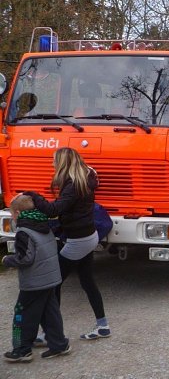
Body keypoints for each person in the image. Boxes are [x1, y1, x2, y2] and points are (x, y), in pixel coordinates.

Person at [24, 147, 110, 341]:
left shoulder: (72, 185)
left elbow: (53, 209)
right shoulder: (82, 179)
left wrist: (34, 196)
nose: (52, 163)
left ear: (63, 162)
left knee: (54, 285)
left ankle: (50, 335)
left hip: (78, 240)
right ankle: (103, 326)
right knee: (88, 282)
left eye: (54, 160)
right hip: (89, 236)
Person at [3, 195, 71, 362]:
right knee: (50, 313)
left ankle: (21, 349)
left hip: (34, 282)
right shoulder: (43, 224)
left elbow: (25, 258)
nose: (12, 217)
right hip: (51, 278)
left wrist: (7, 260)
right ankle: (59, 344)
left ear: (18, 212)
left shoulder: (23, 232)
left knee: (21, 313)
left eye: (12, 214)